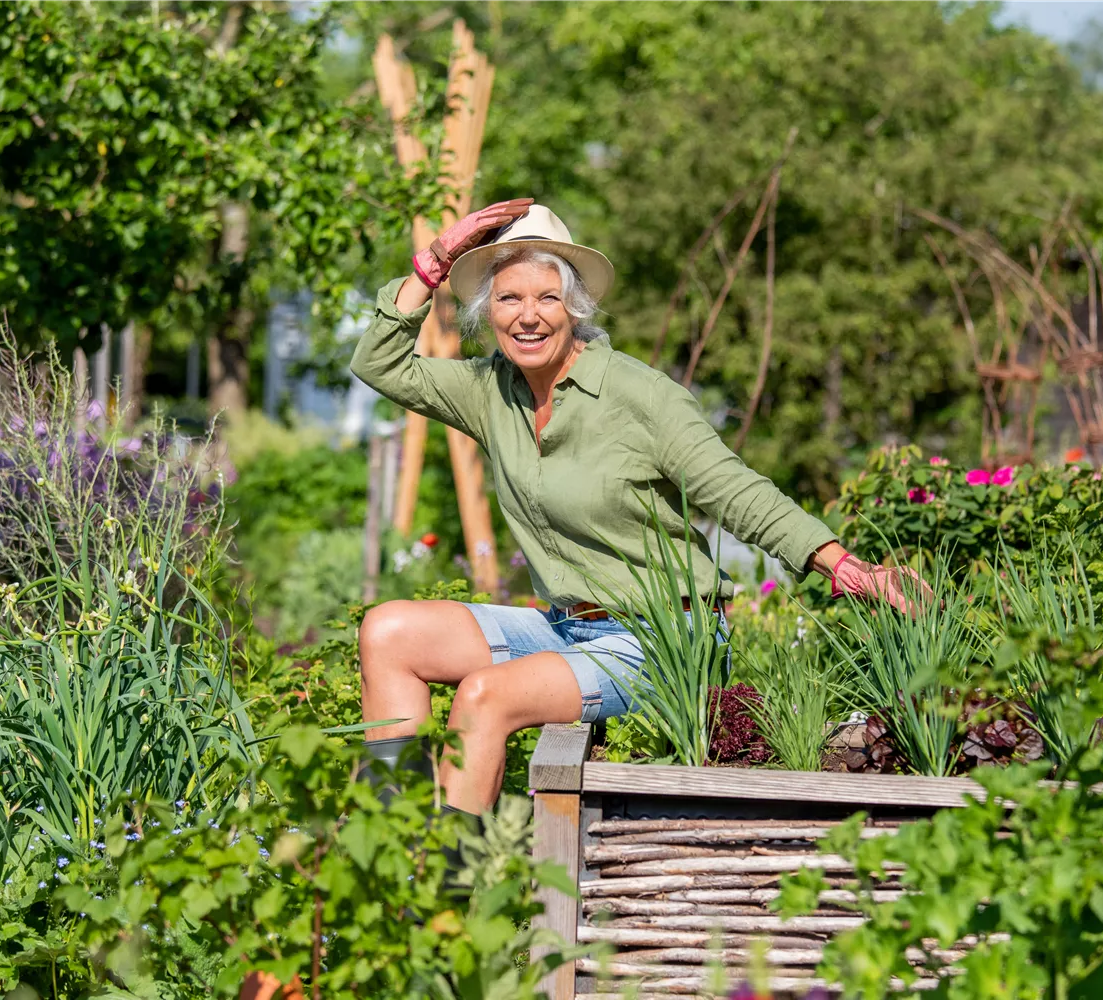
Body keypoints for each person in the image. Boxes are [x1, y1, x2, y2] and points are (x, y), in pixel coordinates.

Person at [350, 200, 924, 815]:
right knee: (387, 632)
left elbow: (735, 489)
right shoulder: (492, 390)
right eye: (508, 299)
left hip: (662, 637)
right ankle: (394, 841)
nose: (527, 317)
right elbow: (378, 363)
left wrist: (842, 565)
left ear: (575, 308)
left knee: (485, 696)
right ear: (486, 311)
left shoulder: (639, 396)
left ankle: (446, 891)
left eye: (546, 298)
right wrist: (438, 259)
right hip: (567, 627)